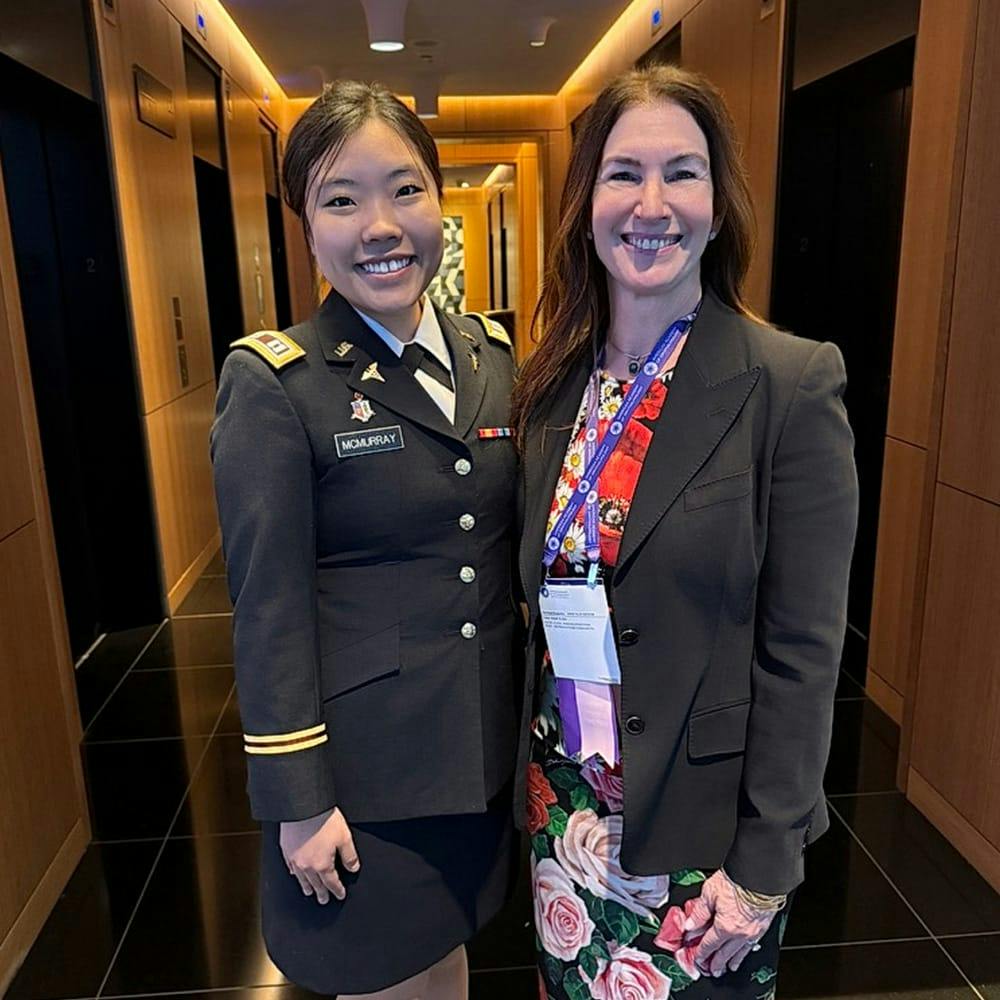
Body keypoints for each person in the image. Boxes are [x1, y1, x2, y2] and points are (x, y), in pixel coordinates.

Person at [510, 65, 858, 1000]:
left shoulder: (789, 384)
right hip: (567, 808)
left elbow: (804, 650)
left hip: (705, 848)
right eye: (623, 173)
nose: (651, 204)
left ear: (719, 200)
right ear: (587, 198)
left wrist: (762, 871)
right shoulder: (550, 387)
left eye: (683, 172)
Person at [211, 80, 521, 1000]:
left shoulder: (490, 357)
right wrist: (298, 799)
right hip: (366, 779)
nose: (379, 225)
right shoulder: (278, 383)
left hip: (478, 754)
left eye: (405, 189)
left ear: (437, 201)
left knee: (448, 957)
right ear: (305, 222)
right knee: (383, 976)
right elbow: (266, 609)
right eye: (341, 199)